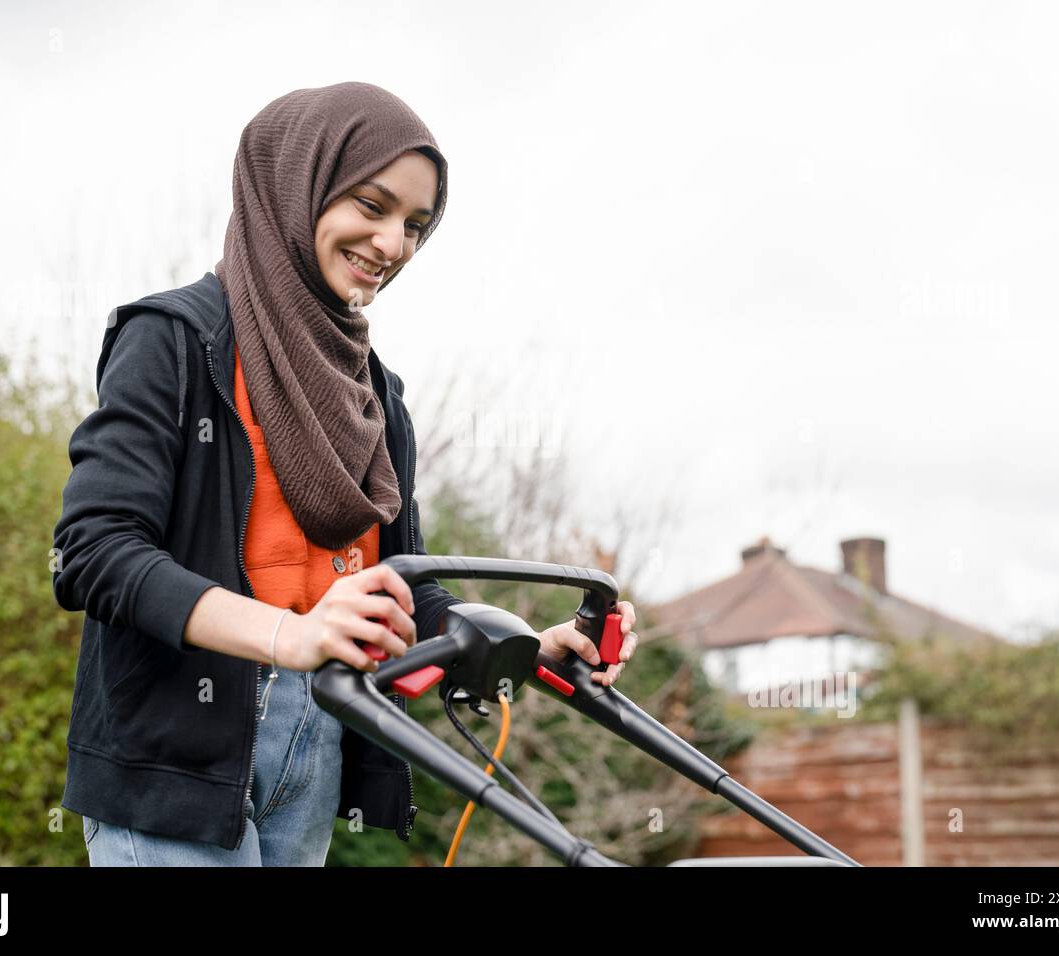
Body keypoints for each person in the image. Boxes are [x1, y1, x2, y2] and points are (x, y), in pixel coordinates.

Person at [52, 81, 639, 867]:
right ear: (295, 186)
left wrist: (535, 647)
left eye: (416, 226)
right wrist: (289, 633)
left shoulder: (377, 396)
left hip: (321, 732)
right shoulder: (172, 343)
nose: (393, 244)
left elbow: (409, 590)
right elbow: (94, 553)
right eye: (371, 205)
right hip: (177, 752)